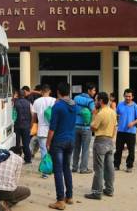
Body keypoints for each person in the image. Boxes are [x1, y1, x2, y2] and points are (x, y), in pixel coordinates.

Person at [46, 82, 76, 210]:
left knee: (58, 170)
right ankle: (69, 197)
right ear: (68, 91)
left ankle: (60, 200)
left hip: (59, 141)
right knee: (66, 168)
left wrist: (48, 142)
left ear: (58, 92)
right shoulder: (74, 105)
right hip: (71, 140)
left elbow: (52, 128)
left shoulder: (57, 106)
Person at [84, 92, 117, 200]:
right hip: (109, 141)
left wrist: (93, 115)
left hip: (100, 141)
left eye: (96, 100)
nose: (95, 102)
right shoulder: (112, 112)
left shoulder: (101, 113)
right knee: (109, 167)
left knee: (99, 168)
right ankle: (109, 189)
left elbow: (93, 127)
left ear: (101, 101)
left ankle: (97, 192)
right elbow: (115, 127)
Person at [114, 89, 137, 173]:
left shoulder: (135, 106)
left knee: (131, 150)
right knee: (118, 149)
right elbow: (116, 114)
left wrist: (133, 123)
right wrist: (118, 121)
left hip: (131, 132)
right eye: (126, 96)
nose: (128, 98)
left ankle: (129, 166)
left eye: (129, 96)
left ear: (132, 97)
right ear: (124, 96)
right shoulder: (120, 105)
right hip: (121, 131)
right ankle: (116, 165)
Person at [32, 84, 56, 179]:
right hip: (53, 129)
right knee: (53, 150)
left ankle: (45, 172)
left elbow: (34, 117)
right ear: (49, 91)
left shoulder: (36, 101)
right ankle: (53, 169)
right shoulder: (54, 100)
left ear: (41, 91)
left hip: (41, 129)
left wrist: (33, 126)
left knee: (43, 151)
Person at [72, 83, 96, 174]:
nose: (94, 92)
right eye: (93, 90)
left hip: (76, 126)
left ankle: (74, 167)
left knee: (76, 148)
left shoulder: (76, 98)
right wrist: (93, 123)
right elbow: (94, 112)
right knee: (85, 149)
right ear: (89, 91)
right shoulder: (90, 101)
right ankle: (83, 168)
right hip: (86, 127)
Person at [13, 90, 32, 163]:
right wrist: (30, 123)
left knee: (17, 143)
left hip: (17, 125)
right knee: (26, 143)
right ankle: (28, 158)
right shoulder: (29, 103)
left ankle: (17, 158)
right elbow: (32, 114)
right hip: (26, 125)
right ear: (25, 95)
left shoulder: (15, 103)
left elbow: (13, 114)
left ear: (18, 95)